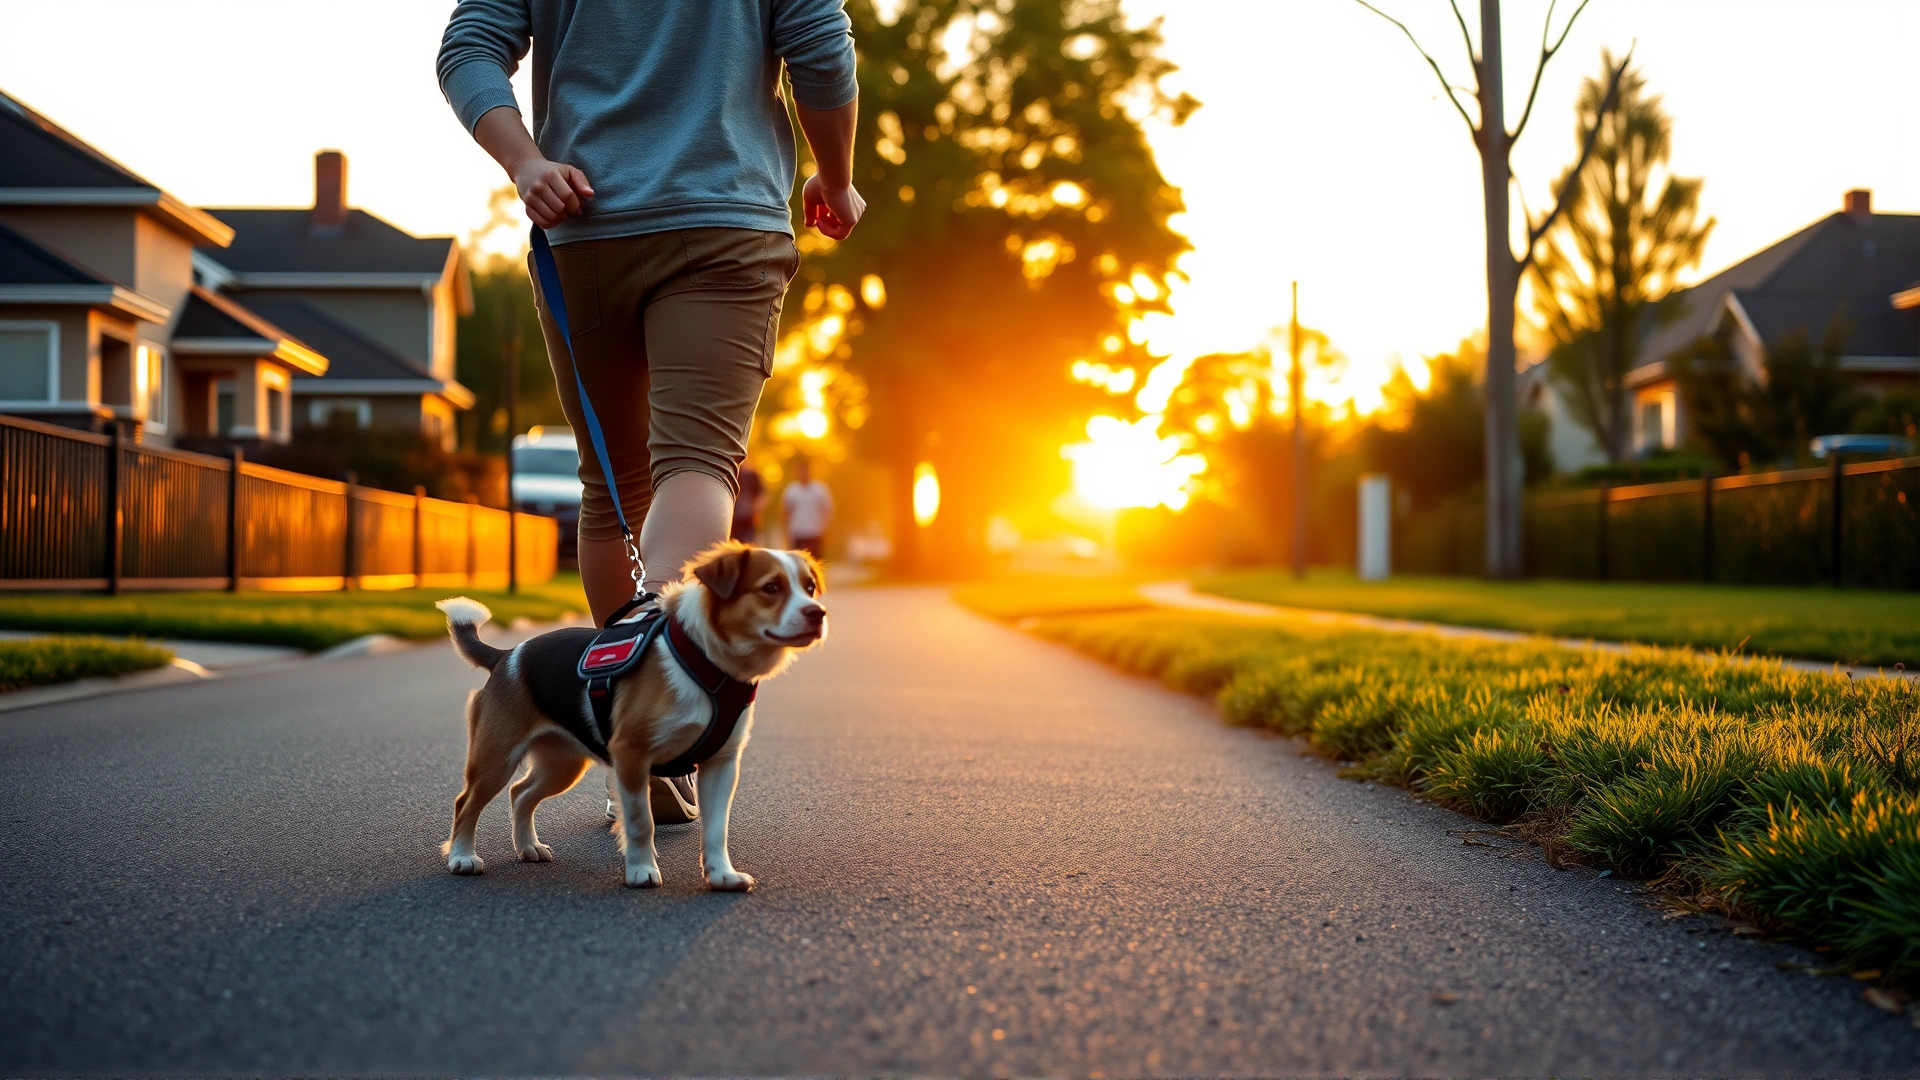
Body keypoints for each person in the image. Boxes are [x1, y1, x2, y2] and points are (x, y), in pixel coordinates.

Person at [438, 0, 863, 823]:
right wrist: (835, 178)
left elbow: (470, 46)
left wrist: (525, 162)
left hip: (584, 217)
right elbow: (819, 45)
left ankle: (639, 737)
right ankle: (669, 717)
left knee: (613, 485)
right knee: (697, 462)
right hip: (723, 214)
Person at [781, 457, 834, 560]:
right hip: (798, 535)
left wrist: (826, 529)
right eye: (801, 469)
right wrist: (786, 535)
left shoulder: (820, 489)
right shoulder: (791, 491)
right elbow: (785, 514)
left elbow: (828, 511)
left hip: (815, 534)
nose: (803, 472)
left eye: (806, 469)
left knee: (816, 564)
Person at [732, 462, 768, 544]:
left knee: (748, 545)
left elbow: (763, 495)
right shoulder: (731, 473)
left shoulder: (752, 474)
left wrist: (755, 509)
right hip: (732, 520)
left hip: (748, 520)